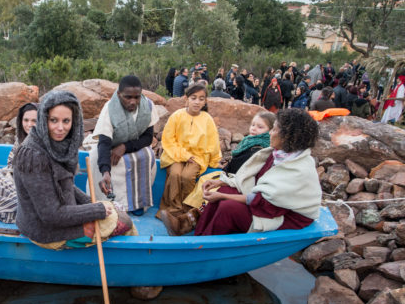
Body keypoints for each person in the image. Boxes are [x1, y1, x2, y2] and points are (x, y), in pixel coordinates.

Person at [12, 90, 135, 249]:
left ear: (74, 121)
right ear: (43, 119)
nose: (60, 128)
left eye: (66, 121)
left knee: (115, 211)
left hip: (60, 216)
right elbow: (51, 215)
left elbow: (65, 184)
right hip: (44, 229)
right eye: (54, 120)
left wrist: (93, 203)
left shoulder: (57, 144)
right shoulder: (34, 156)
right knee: (125, 223)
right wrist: (97, 209)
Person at [194, 109, 321, 235]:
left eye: (274, 129)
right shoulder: (278, 154)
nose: (270, 133)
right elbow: (252, 178)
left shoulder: (298, 170)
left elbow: (265, 203)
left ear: (287, 136)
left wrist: (223, 197)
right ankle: (200, 236)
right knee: (223, 191)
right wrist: (220, 183)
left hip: (288, 216)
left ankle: (207, 246)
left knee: (228, 208)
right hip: (270, 205)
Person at [86, 75, 159, 216]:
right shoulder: (110, 108)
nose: (133, 102)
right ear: (119, 95)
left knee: (147, 155)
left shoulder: (148, 106)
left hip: (133, 145)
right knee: (96, 159)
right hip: (110, 146)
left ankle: (138, 203)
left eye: (137, 97)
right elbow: (104, 142)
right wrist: (105, 171)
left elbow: (148, 138)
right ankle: (107, 205)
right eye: (128, 97)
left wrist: (125, 147)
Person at [156, 83, 221, 236]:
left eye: (201, 99)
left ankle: (185, 211)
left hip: (198, 157)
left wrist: (215, 161)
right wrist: (184, 155)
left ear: (205, 101)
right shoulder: (177, 115)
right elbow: (168, 139)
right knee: (176, 173)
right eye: (193, 98)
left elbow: (213, 142)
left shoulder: (207, 119)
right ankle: (171, 210)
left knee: (187, 176)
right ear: (186, 99)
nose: (197, 102)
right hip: (176, 154)